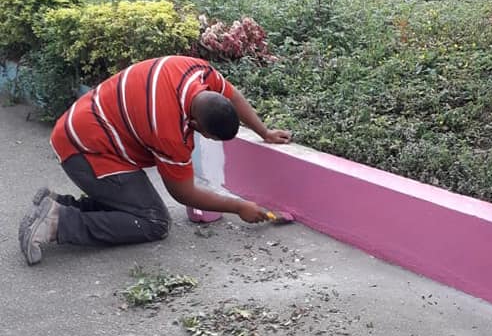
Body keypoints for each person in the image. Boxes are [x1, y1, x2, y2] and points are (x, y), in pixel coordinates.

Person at [18, 55, 292, 265]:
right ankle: (57, 223)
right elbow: (183, 193)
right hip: (86, 150)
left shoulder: (197, 71)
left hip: (86, 127)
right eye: (208, 136)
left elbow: (233, 96)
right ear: (195, 124)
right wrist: (239, 206)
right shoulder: (170, 131)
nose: (207, 140)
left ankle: (57, 204)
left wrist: (264, 132)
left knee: (136, 202)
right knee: (153, 222)